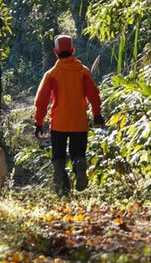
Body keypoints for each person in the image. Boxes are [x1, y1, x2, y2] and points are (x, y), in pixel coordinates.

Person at [34, 33, 104, 196]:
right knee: (78, 152)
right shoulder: (83, 71)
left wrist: (38, 122)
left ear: (55, 52)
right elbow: (94, 94)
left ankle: (62, 187)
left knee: (58, 157)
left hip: (58, 123)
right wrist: (97, 114)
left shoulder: (51, 74)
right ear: (73, 50)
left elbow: (41, 100)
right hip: (79, 122)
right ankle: (79, 164)